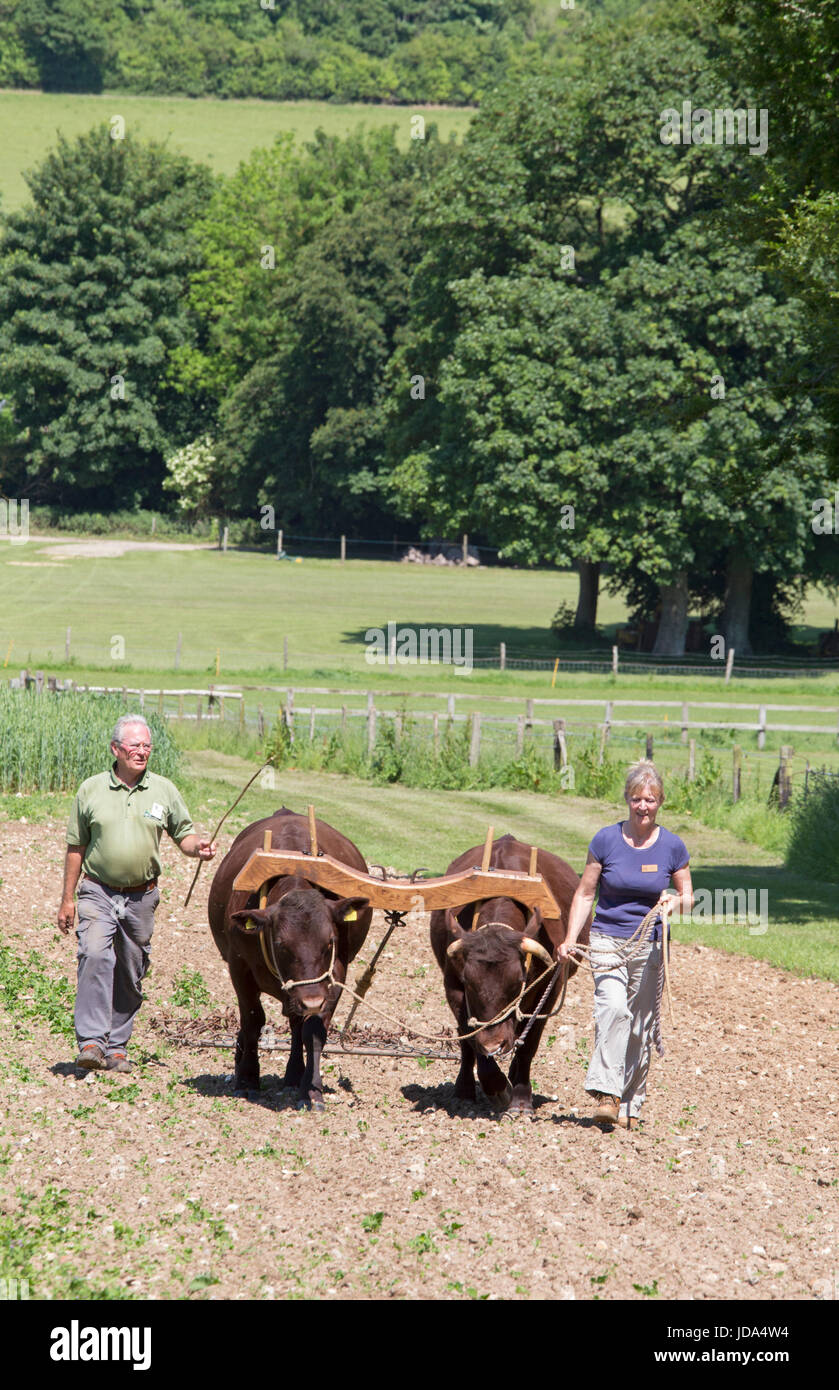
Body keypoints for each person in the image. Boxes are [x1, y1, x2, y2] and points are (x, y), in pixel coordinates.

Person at [57, 715, 216, 1072]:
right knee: (95, 954)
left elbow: (184, 835)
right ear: (116, 749)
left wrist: (198, 847)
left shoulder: (163, 790)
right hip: (98, 890)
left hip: (141, 897)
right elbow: (75, 847)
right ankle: (93, 1042)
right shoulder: (91, 790)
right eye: (135, 746)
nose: (142, 752)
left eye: (147, 746)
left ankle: (117, 1047)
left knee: (131, 969)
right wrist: (68, 899)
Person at [559, 760, 693, 1130]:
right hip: (606, 938)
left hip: (648, 944)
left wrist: (673, 902)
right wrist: (571, 938)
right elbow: (586, 893)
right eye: (637, 799)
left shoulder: (672, 846)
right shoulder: (605, 840)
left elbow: (689, 896)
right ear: (627, 800)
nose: (643, 806)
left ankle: (630, 1103)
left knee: (640, 1027)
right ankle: (606, 1092)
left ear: (660, 801)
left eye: (650, 799)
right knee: (614, 1009)